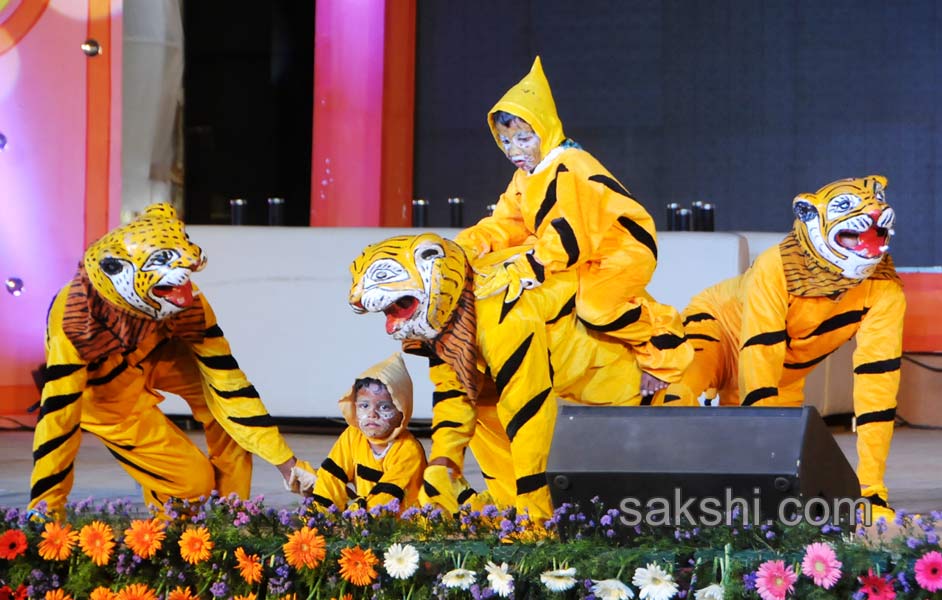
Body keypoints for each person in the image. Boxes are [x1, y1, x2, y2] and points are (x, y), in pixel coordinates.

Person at [29, 203, 302, 516]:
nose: (192, 264)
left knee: (231, 419)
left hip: (158, 351)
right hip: (105, 390)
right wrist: (46, 506)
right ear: (118, 269)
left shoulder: (185, 300)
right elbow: (58, 417)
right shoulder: (76, 321)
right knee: (192, 484)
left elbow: (230, 385)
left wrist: (286, 462)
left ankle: (230, 518)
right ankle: (167, 530)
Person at [660, 175, 904, 518]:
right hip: (720, 326)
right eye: (846, 206)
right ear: (809, 215)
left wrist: (871, 490)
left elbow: (878, 384)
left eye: (875, 203)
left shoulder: (885, 288)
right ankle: (654, 484)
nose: (874, 211)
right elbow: (760, 353)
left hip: (782, 369)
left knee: (779, 475)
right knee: (681, 389)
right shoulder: (776, 266)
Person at [455, 56, 691, 397]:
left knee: (595, 308)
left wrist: (529, 264)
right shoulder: (525, 176)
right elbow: (506, 223)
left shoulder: (570, 165)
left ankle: (664, 346)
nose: (513, 151)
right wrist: (469, 244)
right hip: (581, 252)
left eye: (523, 139)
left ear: (544, 129)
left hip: (619, 249)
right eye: (506, 142)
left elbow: (571, 232)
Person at [289, 353, 427, 511]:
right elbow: (332, 477)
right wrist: (321, 512)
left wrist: (358, 516)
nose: (372, 414)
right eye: (364, 405)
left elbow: (387, 497)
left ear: (403, 410)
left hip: (400, 522)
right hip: (362, 514)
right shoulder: (353, 435)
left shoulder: (408, 450)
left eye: (384, 407)